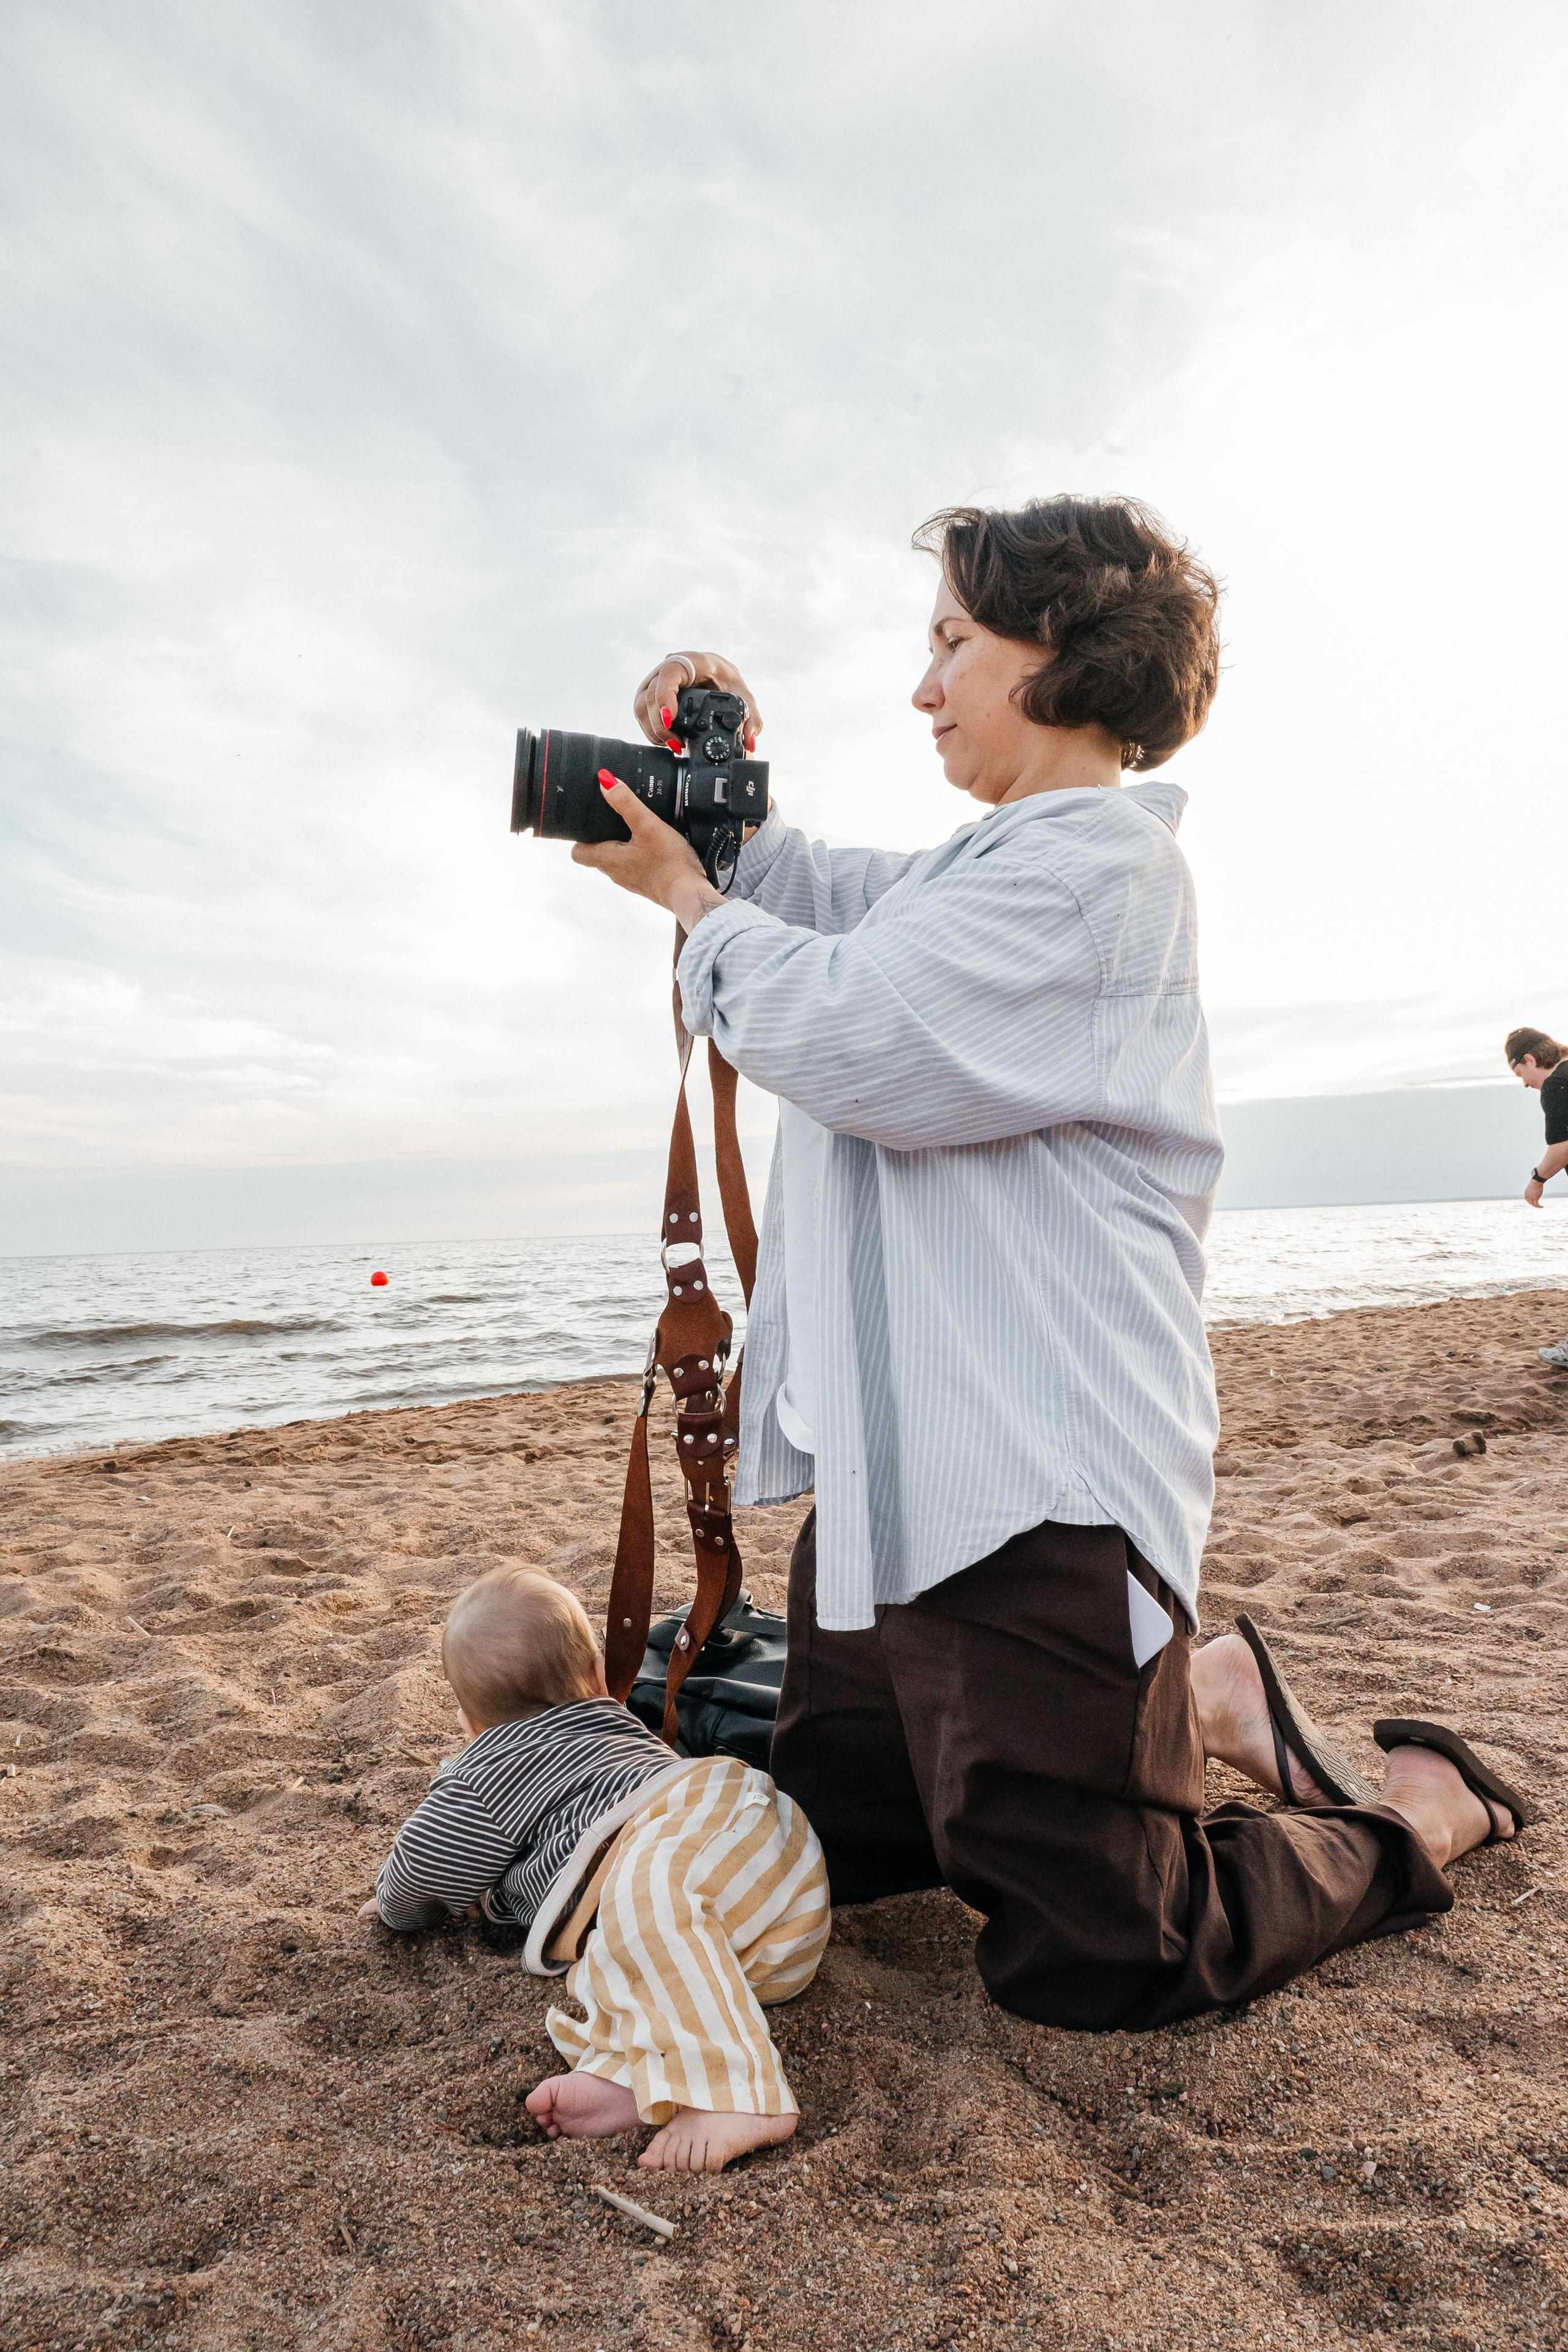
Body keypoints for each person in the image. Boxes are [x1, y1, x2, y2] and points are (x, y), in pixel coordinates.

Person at [574, 494, 1532, 2033]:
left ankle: (1418, 1808)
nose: (921, 683)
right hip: (893, 1486)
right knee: (849, 1854)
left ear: (1063, 655)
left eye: (952, 641)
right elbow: (808, 903)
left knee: (1106, 1951)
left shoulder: (1094, 877)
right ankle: (1192, 1696)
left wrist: (688, 905)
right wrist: (719, 777)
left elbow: (851, 1033)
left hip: (1038, 1496)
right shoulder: (975, 871)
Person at [361, 1566, 829, 2172]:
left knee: (639, 1913)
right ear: (594, 1676)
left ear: (470, 1725)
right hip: (772, 1899)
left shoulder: (486, 1772)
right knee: (609, 1964)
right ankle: (640, 2083)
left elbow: (425, 1862)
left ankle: (742, 2096)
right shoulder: (612, 1720)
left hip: (701, 1827)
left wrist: (394, 1909)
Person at [1506, 1025, 1568, 1366]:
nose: (1526, 1084)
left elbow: (1563, 1146)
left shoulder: (1558, 1083)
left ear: (1530, 1059)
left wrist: (1538, 1179)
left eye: (1521, 1074)